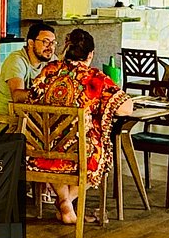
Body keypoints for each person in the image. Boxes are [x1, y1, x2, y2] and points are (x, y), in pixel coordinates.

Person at [25, 29, 134, 225]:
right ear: (90, 54)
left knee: (55, 149)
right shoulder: (95, 78)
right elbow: (126, 108)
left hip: (41, 150)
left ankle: (64, 203)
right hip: (81, 153)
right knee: (102, 157)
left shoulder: (50, 71)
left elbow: (31, 96)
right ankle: (66, 202)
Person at [0, 22, 55, 118]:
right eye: (45, 42)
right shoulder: (16, 60)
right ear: (31, 43)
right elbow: (17, 96)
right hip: (10, 122)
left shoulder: (50, 60)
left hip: (34, 119)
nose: (50, 47)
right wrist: (43, 93)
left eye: (53, 43)